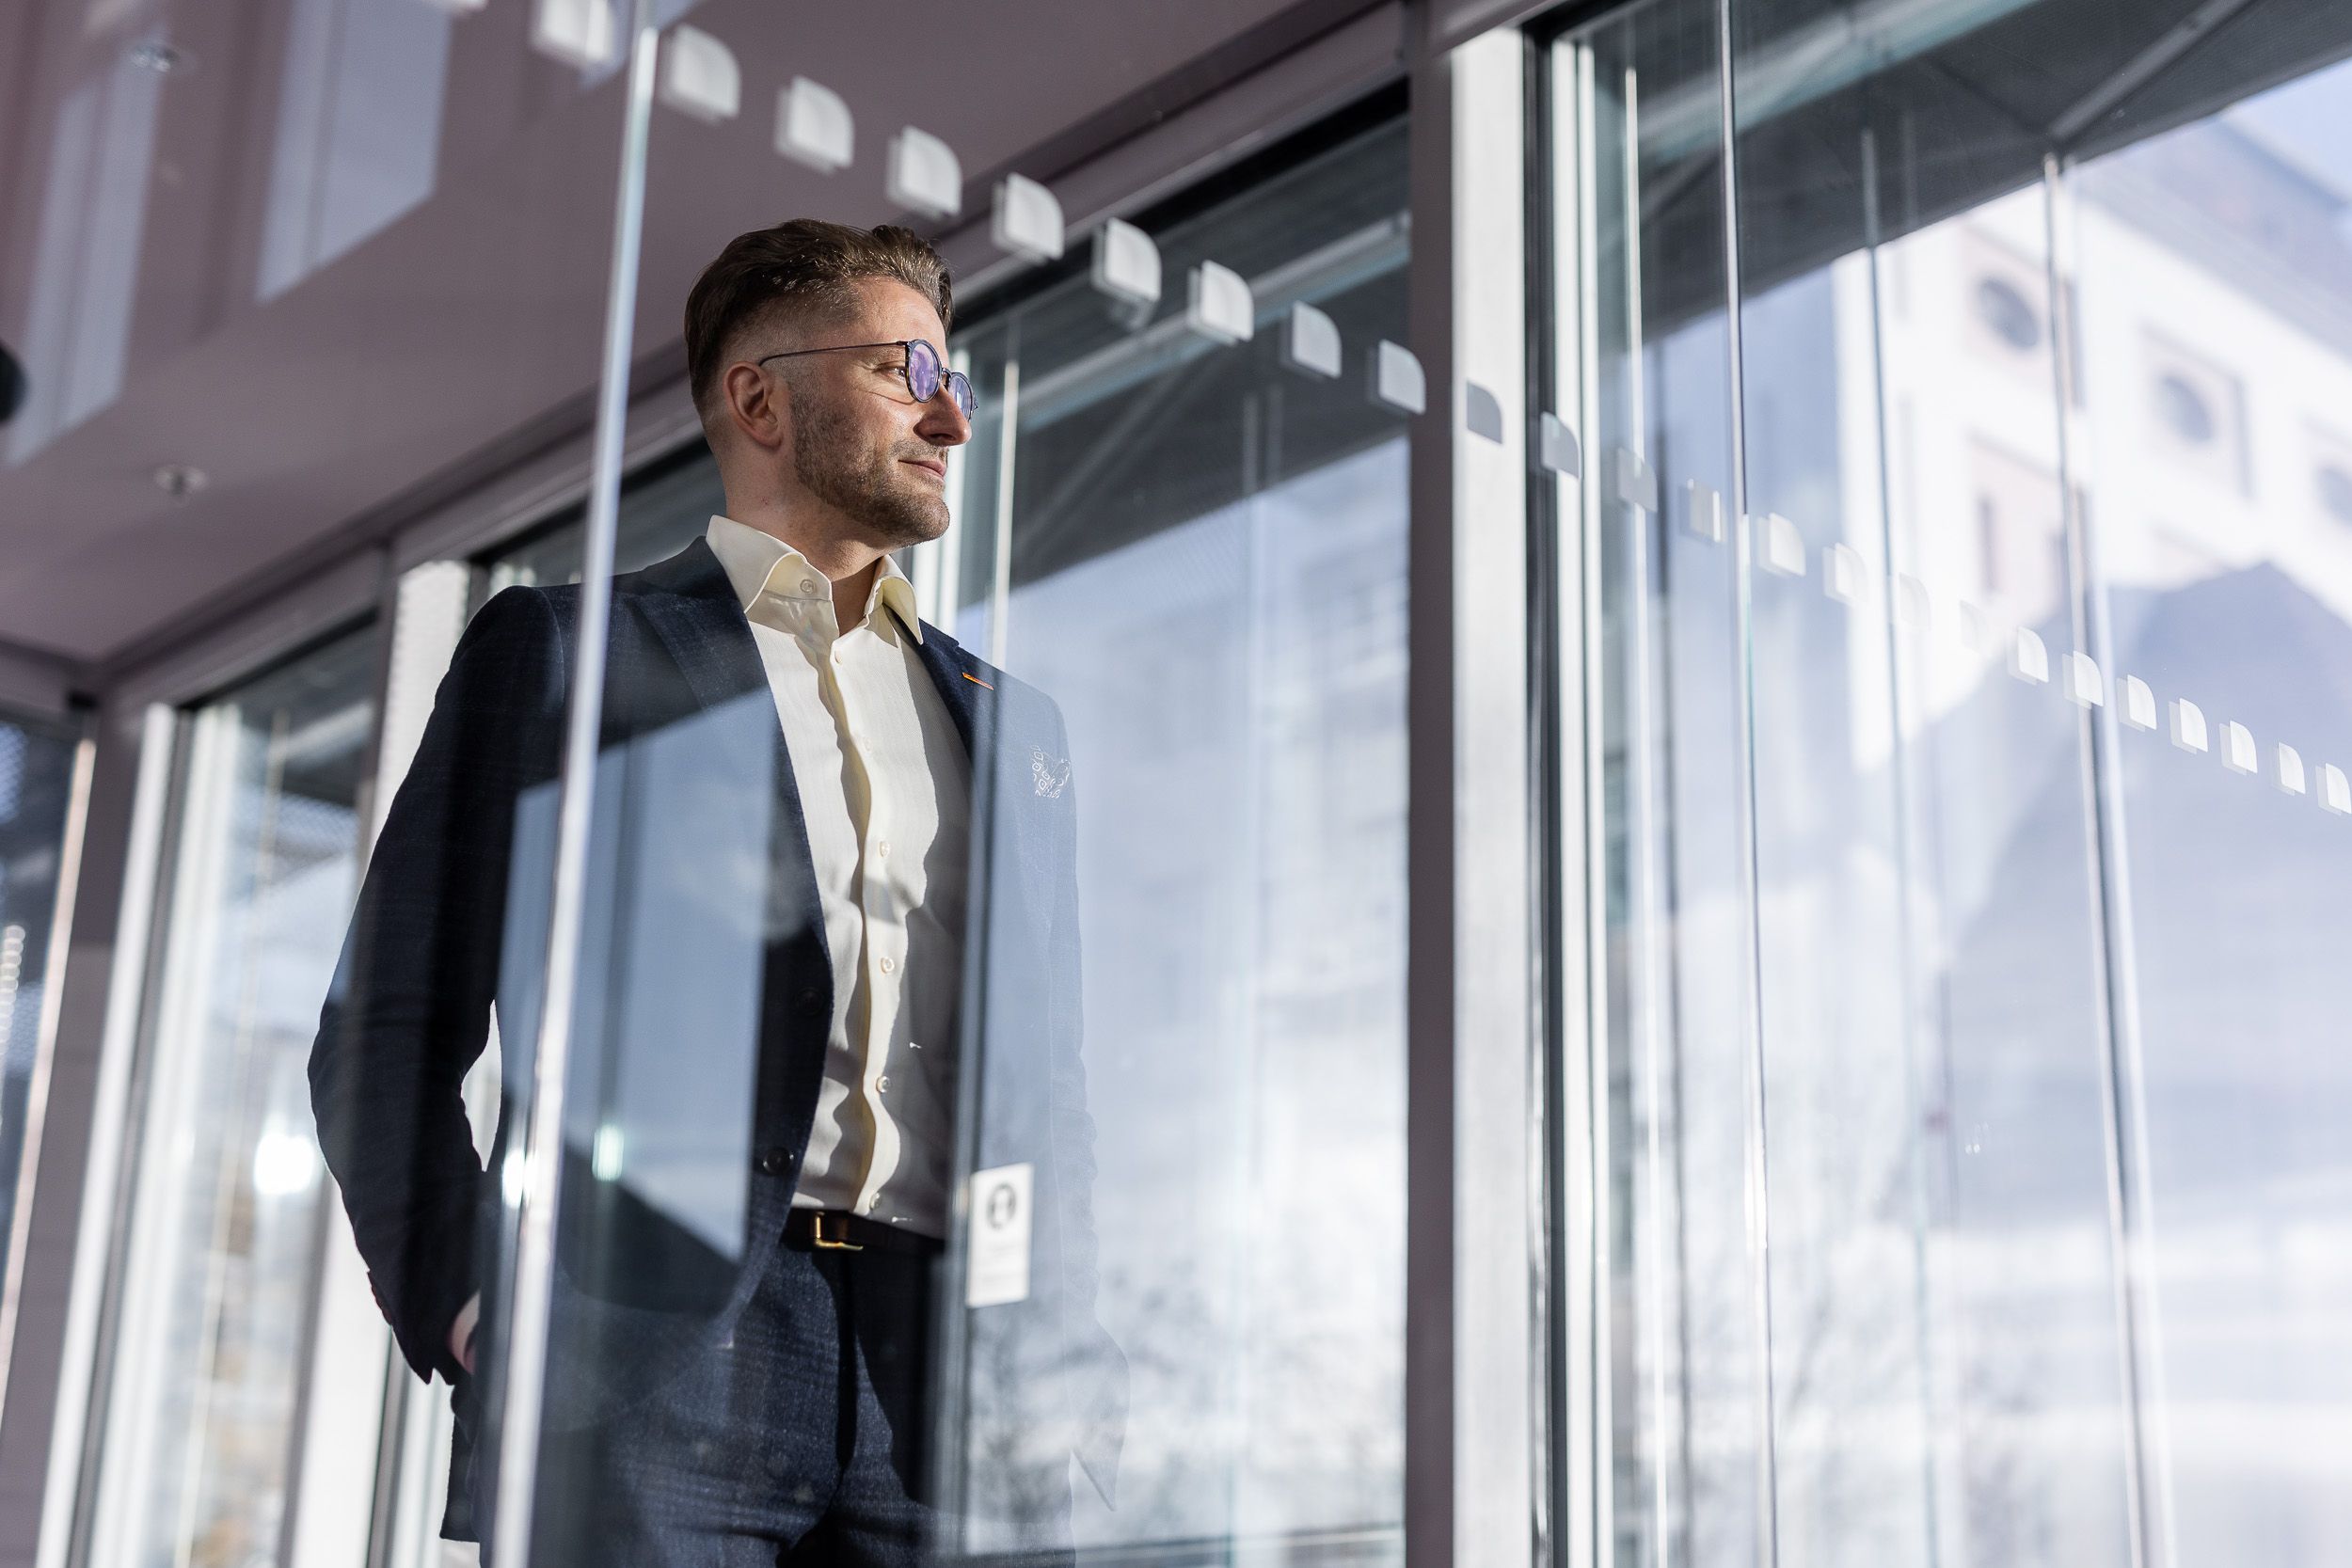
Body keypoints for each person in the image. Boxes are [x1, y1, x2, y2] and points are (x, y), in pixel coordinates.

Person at [310, 219, 1126, 1565]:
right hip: (648, 1373)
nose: (950, 417)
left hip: (963, 1390)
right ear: (759, 397)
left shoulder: (1013, 724)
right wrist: (469, 1299)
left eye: (956, 379)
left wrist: (1068, 1347)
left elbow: (1051, 1090)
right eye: (902, 370)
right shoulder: (571, 654)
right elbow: (384, 1030)